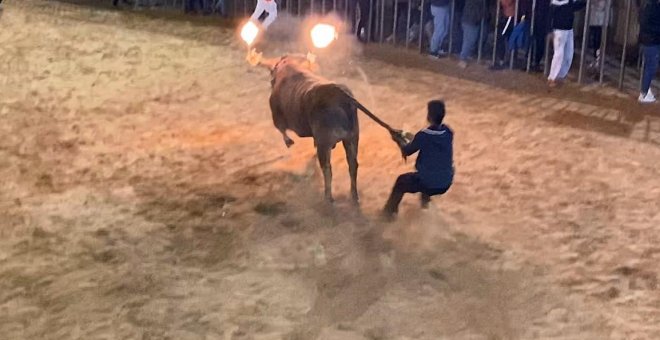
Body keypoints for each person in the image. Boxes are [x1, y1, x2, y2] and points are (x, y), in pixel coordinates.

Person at [382, 100, 454, 220]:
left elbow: (407, 150)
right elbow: (426, 141)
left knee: (401, 182)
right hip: (446, 181)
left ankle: (387, 216)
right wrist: (408, 135)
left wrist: (397, 139)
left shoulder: (424, 135)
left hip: (429, 181)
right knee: (428, 177)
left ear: (428, 116)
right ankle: (425, 210)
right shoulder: (448, 132)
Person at [547, 0, 586, 87]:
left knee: (568, 54)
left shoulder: (569, 1)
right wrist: (549, 30)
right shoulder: (556, 1)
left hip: (568, 29)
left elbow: (575, 6)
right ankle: (552, 77)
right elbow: (550, 14)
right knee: (559, 54)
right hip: (559, 30)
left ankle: (560, 76)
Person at [638, 0, 660, 103]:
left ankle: (646, 91)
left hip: (647, 40)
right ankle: (644, 93)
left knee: (649, 66)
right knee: (651, 67)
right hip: (652, 41)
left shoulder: (646, 5)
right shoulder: (654, 7)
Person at [458, 0, 486, 68]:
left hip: (472, 20)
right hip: (470, 20)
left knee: (471, 40)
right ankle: (463, 58)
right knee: (469, 41)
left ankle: (466, 56)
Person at [490, 0, 516, 70]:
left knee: (501, 36)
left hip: (509, 16)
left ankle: (503, 60)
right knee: (502, 38)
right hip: (504, 16)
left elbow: (507, 3)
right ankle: (503, 59)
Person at [587, 0, 609, 69]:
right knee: (594, 41)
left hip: (600, 21)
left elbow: (601, 6)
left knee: (599, 41)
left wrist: (594, 3)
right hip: (593, 20)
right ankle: (595, 59)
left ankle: (598, 61)